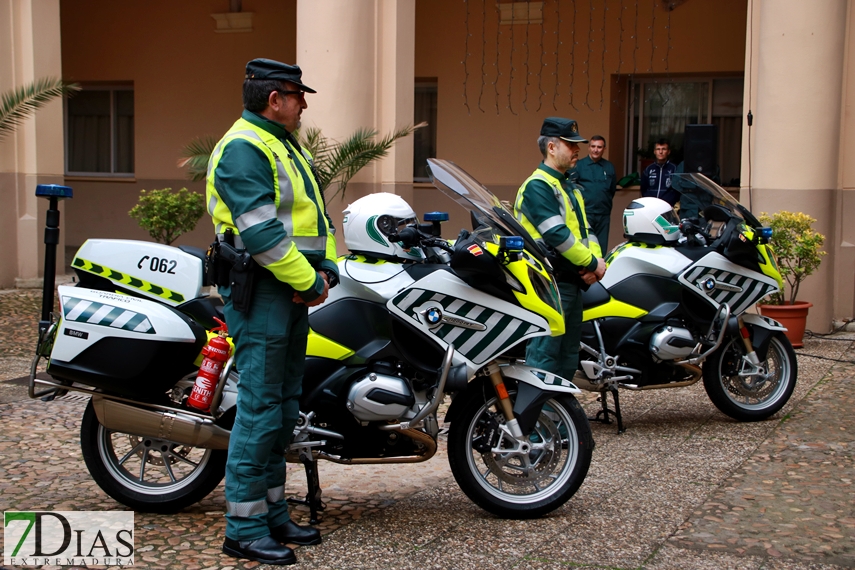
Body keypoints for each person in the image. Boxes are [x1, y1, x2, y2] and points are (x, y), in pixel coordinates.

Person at [206, 58, 339, 566]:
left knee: (283, 408)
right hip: (263, 293)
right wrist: (309, 281)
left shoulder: (282, 144)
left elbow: (310, 220)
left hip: (287, 292)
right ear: (272, 98)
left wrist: (323, 267)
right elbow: (262, 232)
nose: (304, 102)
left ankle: (273, 514)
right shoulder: (244, 147)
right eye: (296, 93)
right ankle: (242, 527)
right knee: (260, 411)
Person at [513, 117, 606, 381]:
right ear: (551, 148)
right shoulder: (538, 186)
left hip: (570, 284)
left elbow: (586, 231)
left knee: (567, 359)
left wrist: (596, 264)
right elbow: (557, 235)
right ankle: (540, 420)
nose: (578, 150)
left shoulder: (568, 187)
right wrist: (593, 265)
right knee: (544, 359)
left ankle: (561, 419)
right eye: (571, 144)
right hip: (548, 285)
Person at [572, 135, 617, 251]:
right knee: (585, 246)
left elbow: (611, 190)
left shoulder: (609, 167)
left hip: (603, 214)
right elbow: (572, 189)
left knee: (601, 247)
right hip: (585, 213)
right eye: (593, 146)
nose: (596, 150)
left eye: (599, 147)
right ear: (589, 148)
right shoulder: (579, 165)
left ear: (604, 149)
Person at [640, 139, 679, 206]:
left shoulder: (674, 169)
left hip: (668, 206)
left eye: (664, 149)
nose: (661, 152)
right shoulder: (648, 169)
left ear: (668, 152)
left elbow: (678, 189)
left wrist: (671, 201)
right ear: (654, 151)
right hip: (651, 206)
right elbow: (643, 188)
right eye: (658, 149)